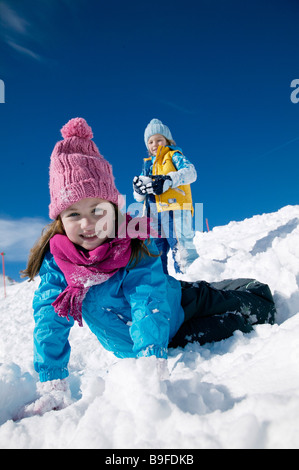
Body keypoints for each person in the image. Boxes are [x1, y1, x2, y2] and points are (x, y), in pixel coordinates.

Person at [21, 117, 276, 415]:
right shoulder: (59, 263)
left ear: (114, 210)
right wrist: (53, 384)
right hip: (165, 336)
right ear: (60, 221)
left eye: (97, 210)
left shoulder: (130, 242)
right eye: (74, 214)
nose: (88, 223)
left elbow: (147, 299)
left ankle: (251, 290)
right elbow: (49, 321)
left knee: (254, 297)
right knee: (238, 323)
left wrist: (149, 366)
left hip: (176, 301)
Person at [133, 118, 198, 274]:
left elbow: (191, 173)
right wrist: (138, 190)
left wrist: (168, 179)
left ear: (167, 140)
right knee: (154, 252)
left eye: (159, 140)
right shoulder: (147, 166)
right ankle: (161, 285)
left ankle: (190, 279)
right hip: (153, 214)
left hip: (175, 208)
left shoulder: (174, 155)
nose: (155, 144)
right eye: (150, 142)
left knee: (181, 246)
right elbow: (138, 198)